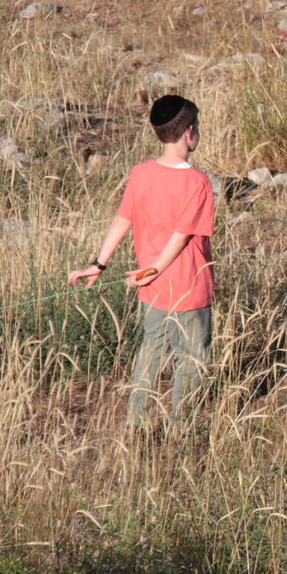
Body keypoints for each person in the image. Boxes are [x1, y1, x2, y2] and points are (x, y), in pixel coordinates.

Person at [68, 94, 216, 425]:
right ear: (189, 132)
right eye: (198, 128)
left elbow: (123, 219)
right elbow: (182, 235)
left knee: (151, 353)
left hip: (152, 291)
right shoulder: (198, 182)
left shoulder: (141, 173)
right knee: (191, 360)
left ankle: (136, 422)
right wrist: (153, 270)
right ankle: (183, 427)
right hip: (189, 289)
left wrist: (99, 263)